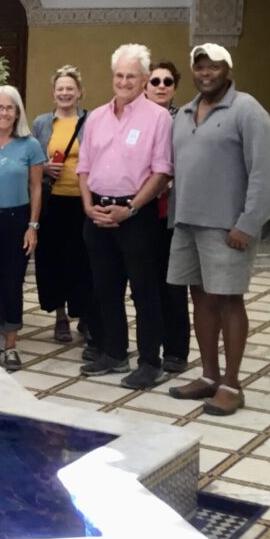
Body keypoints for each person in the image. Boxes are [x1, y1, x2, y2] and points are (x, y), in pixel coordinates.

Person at [167, 44, 270, 415]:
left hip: (228, 229)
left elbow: (266, 172)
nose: (205, 73)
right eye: (200, 67)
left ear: (227, 70)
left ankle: (232, 383)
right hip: (187, 223)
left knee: (229, 301)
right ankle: (209, 376)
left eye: (213, 67)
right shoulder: (184, 113)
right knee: (199, 298)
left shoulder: (247, 110)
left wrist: (248, 222)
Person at [76, 44, 173, 389]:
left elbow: (161, 172)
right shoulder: (97, 117)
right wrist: (88, 206)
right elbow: (84, 167)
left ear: (145, 79)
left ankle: (150, 361)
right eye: (119, 75)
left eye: (132, 76)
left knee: (144, 291)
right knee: (105, 288)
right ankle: (114, 352)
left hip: (137, 215)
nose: (124, 81)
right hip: (97, 213)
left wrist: (130, 208)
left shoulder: (159, 119)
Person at [32, 65, 103, 359]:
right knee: (53, 260)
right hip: (52, 201)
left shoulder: (92, 122)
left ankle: (84, 314)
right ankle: (60, 315)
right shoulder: (41, 123)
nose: (64, 93)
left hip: (83, 202)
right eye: (60, 89)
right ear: (53, 93)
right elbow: (33, 160)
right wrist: (45, 167)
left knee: (84, 261)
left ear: (79, 92)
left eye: (69, 89)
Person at [0, 86, 46, 367]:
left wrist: (33, 225)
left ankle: (11, 344)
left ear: (17, 112)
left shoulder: (30, 145)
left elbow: (36, 187)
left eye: (9, 107)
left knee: (13, 282)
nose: (3, 113)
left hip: (18, 220)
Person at [145, 60, 191, 373]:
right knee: (146, 284)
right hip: (141, 211)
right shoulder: (138, 120)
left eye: (167, 82)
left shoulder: (185, 122)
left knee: (173, 283)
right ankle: (149, 346)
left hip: (173, 214)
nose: (161, 87)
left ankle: (176, 349)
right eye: (155, 81)